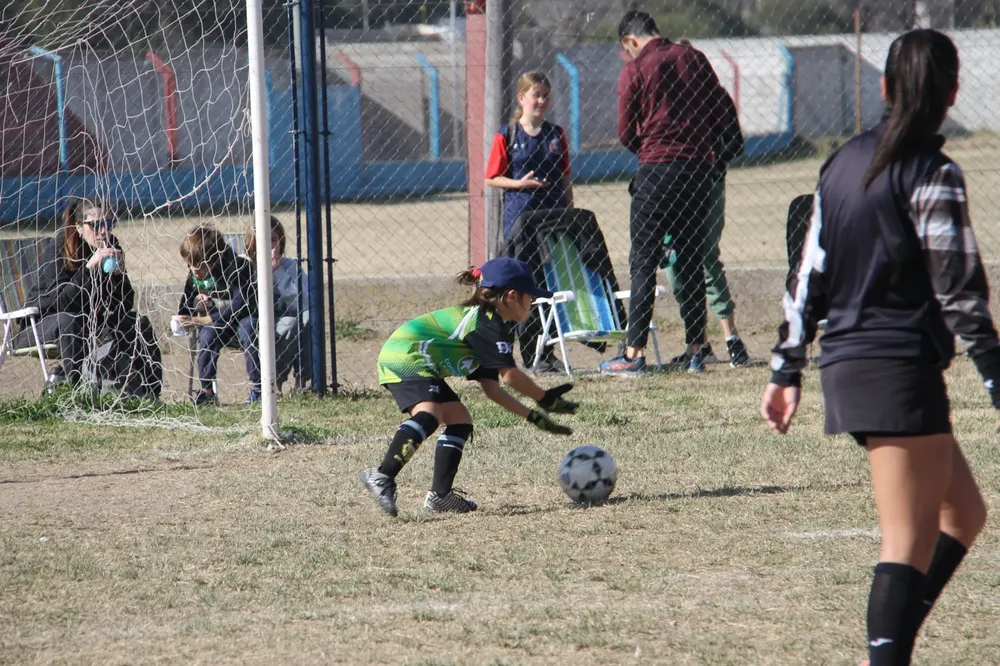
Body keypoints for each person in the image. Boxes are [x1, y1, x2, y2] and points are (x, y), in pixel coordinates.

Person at [761, 30, 993, 666]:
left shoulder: (841, 164)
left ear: (886, 88)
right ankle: (885, 656)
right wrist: (995, 373)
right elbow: (960, 289)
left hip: (858, 365)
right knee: (906, 540)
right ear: (951, 94)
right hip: (893, 370)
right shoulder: (931, 172)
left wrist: (787, 367)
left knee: (963, 513)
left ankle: (886, 651)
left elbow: (808, 275)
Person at [358, 257, 578, 517]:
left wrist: (532, 417)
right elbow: (510, 376)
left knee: (460, 420)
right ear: (510, 296)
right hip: (405, 356)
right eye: (530, 298)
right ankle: (382, 475)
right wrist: (544, 398)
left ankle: (440, 497)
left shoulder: (491, 326)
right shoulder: (487, 323)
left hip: (420, 361)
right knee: (430, 415)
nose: (531, 304)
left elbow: (493, 390)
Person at [600, 11, 731, 376]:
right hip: (699, 171)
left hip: (657, 169)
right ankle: (695, 350)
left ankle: (633, 353)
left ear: (630, 40)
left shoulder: (636, 68)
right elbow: (721, 113)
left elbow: (626, 129)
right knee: (690, 257)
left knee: (644, 260)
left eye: (627, 50)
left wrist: (651, 148)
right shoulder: (694, 58)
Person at [661, 53, 752, 371]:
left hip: (708, 187)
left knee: (705, 257)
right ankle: (697, 342)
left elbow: (736, 145)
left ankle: (732, 338)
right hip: (674, 187)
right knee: (674, 261)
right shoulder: (664, 99)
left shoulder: (715, 98)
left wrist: (712, 158)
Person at [22, 197, 162, 398]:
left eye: (108, 224)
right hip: (39, 324)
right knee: (69, 320)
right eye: (96, 225)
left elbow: (125, 304)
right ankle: (80, 395)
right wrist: (89, 269)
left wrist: (119, 277)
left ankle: (148, 394)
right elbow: (59, 303)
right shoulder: (60, 248)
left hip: (87, 324)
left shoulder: (110, 245)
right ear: (79, 227)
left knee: (136, 321)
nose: (103, 231)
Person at [486, 71, 574, 373]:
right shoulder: (507, 134)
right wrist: (519, 185)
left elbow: (565, 177)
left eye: (546, 95)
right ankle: (504, 353)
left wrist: (569, 210)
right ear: (521, 98)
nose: (541, 101)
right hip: (519, 226)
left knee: (548, 287)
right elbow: (492, 177)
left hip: (551, 223)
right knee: (517, 290)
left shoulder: (555, 134)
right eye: (536, 95)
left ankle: (544, 355)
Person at [176, 225, 260, 406]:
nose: (194, 270)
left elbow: (241, 304)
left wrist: (206, 319)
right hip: (222, 324)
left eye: (199, 265)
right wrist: (192, 308)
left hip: (245, 318)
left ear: (215, 258)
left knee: (248, 329)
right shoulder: (196, 274)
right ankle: (207, 391)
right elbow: (185, 305)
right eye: (190, 265)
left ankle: (257, 387)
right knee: (207, 334)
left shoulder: (239, 267)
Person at [246, 217, 311, 396]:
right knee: (288, 325)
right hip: (256, 320)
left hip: (286, 318)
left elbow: (304, 302)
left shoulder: (289, 266)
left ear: (281, 242)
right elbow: (246, 298)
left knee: (304, 319)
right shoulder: (246, 266)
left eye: (273, 240)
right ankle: (274, 382)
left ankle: (302, 381)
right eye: (262, 241)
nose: (269, 245)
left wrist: (278, 273)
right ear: (252, 244)